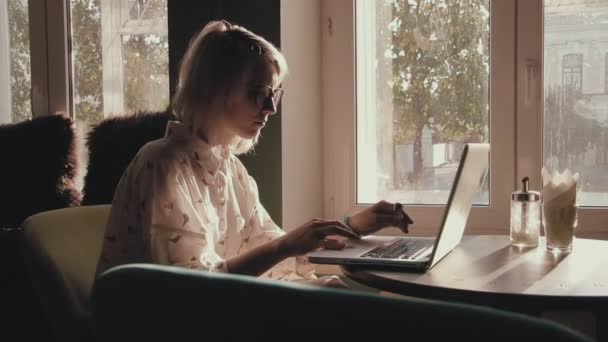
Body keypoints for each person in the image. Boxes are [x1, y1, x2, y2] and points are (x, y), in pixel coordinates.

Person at [95, 20, 412, 288]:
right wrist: (286, 247)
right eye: (259, 93)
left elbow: (274, 253)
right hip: (147, 327)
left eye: (274, 94)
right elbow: (191, 290)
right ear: (215, 89)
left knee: (345, 299)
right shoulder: (162, 166)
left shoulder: (231, 170)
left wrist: (352, 227)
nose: (271, 108)